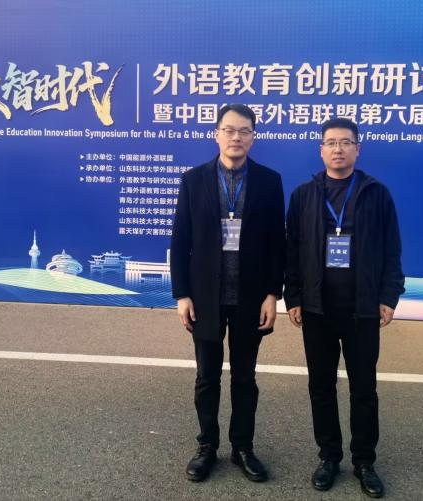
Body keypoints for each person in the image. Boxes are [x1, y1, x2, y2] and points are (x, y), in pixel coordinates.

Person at [284, 118, 404, 498]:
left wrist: (388, 296)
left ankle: (364, 461)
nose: (338, 149)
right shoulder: (303, 195)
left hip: (362, 309)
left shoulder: (376, 194)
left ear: (357, 149)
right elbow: (292, 251)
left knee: (363, 388)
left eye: (346, 142)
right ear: (320, 150)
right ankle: (329, 457)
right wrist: (294, 297)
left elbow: (392, 249)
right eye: (331, 142)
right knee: (321, 386)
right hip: (317, 309)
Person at [170, 103, 285, 483]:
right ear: (216, 134)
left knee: (245, 378)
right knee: (207, 377)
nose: (237, 137)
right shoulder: (194, 180)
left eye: (244, 131)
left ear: (253, 137)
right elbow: (180, 240)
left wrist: (273, 294)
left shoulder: (269, 181)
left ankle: (243, 447)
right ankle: (207, 446)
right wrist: (182, 294)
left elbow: (277, 242)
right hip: (206, 297)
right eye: (230, 130)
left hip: (251, 297)